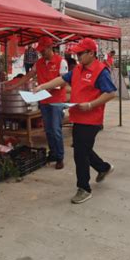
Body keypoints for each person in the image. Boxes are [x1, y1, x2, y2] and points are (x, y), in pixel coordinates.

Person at [34, 38, 117, 204]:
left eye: (80, 53)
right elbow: (63, 80)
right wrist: (42, 86)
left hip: (92, 119)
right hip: (77, 116)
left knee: (80, 153)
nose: (77, 57)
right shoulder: (78, 69)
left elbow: (111, 93)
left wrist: (91, 104)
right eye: (76, 53)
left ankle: (84, 188)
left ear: (91, 53)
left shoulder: (101, 71)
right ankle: (103, 167)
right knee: (81, 148)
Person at [7, 37, 68, 169]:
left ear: (50, 47)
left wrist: (46, 87)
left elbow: (63, 81)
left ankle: (60, 157)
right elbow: (28, 76)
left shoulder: (61, 61)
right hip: (44, 100)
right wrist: (14, 86)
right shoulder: (38, 63)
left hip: (57, 101)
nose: (41, 53)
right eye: (40, 51)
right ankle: (52, 153)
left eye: (43, 50)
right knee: (48, 129)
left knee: (56, 129)